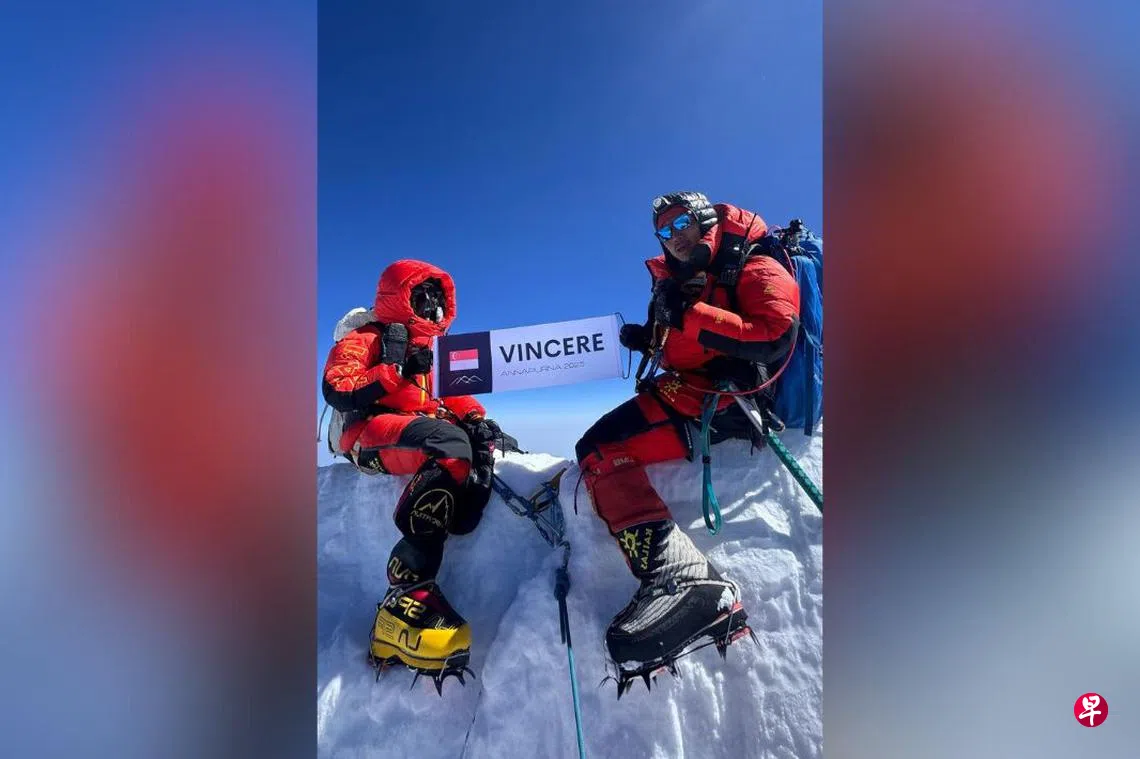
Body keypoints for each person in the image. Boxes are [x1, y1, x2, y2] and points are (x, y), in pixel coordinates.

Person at [575, 192, 801, 680]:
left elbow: (775, 334)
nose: (673, 237)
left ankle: (686, 582)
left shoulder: (751, 262)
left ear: (704, 220)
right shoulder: (678, 278)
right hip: (691, 390)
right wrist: (648, 339)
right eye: (663, 231)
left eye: (681, 224)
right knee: (594, 446)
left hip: (731, 401)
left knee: (601, 448)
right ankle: (676, 576)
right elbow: (685, 340)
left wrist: (687, 317)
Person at [322, 259, 503, 690]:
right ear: (399, 296)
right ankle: (404, 594)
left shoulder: (432, 348)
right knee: (448, 443)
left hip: (412, 430)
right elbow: (338, 387)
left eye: (438, 298)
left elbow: (453, 395)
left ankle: (456, 522)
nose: (432, 307)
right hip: (366, 437)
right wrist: (397, 368)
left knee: (473, 448)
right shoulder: (368, 336)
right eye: (423, 296)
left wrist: (477, 419)